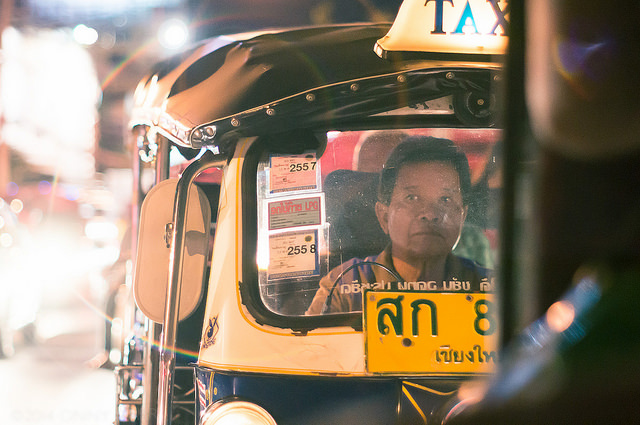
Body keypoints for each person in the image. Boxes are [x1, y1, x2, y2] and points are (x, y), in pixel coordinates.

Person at [307, 136, 492, 314]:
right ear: (384, 217)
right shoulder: (344, 286)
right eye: (412, 198)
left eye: (445, 199)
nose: (430, 214)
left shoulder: (491, 287)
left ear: (462, 215)